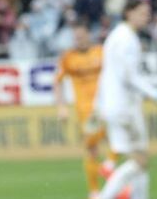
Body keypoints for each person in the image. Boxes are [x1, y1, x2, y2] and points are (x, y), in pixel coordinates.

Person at [94, 0, 157, 199]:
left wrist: (99, 104)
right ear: (129, 12)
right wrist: (156, 94)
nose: (145, 17)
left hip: (115, 106)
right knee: (140, 160)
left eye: (147, 13)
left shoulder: (117, 36)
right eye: (142, 13)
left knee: (140, 160)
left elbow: (107, 74)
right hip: (124, 108)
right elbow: (128, 75)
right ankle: (105, 195)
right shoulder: (125, 38)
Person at [54, 22, 120, 199]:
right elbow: (57, 82)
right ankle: (94, 191)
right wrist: (61, 107)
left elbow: (115, 74)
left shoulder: (101, 52)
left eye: (82, 36)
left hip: (106, 106)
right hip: (85, 111)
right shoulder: (68, 57)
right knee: (92, 149)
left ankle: (109, 168)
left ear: (89, 35)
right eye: (76, 38)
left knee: (117, 141)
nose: (80, 40)